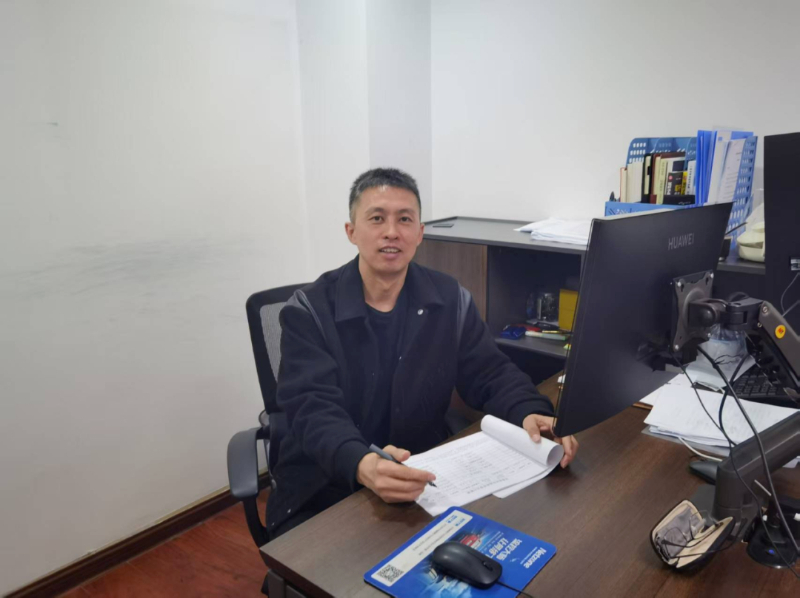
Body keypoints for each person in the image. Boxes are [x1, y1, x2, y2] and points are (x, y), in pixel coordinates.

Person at [267, 168, 578, 539]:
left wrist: (530, 410)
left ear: (419, 233)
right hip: (328, 484)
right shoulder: (309, 311)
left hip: (423, 475)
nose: (391, 232)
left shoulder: (448, 298)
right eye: (377, 218)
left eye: (404, 219)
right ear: (351, 232)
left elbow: (489, 371)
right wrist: (361, 462)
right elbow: (312, 408)